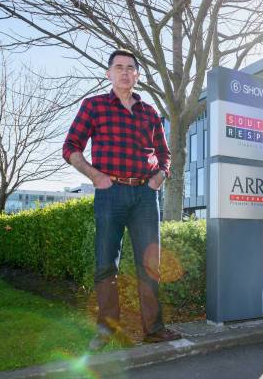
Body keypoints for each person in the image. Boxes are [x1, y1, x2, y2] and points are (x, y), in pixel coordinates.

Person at [62, 49, 182, 350]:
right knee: (106, 262)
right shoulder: (94, 106)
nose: (125, 72)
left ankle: (154, 329)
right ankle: (106, 329)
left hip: (144, 195)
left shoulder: (150, 113)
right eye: (119, 67)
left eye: (131, 68)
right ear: (109, 74)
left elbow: (164, 153)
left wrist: (159, 177)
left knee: (150, 265)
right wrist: (95, 176)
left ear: (138, 75)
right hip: (110, 192)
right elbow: (71, 147)